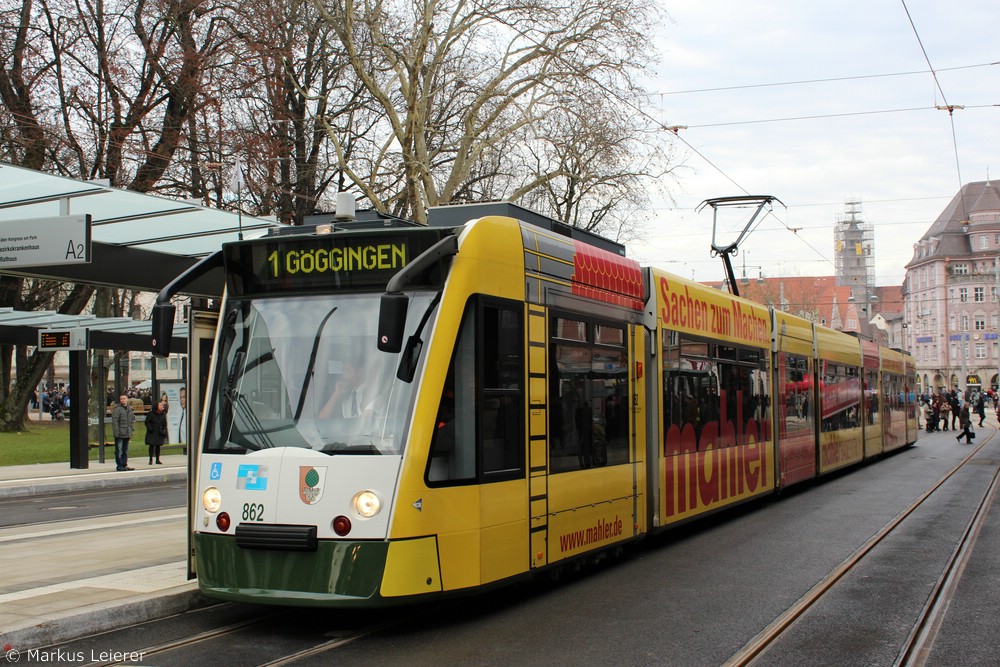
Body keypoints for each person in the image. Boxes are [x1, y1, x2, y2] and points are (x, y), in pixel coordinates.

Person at [111, 395, 135, 471]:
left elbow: (132, 421)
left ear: (127, 399)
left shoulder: (129, 409)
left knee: (125, 451)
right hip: (120, 433)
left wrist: (132, 430)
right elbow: (115, 422)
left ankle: (124, 464)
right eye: (121, 399)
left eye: (124, 398)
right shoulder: (117, 409)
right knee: (119, 450)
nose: (122, 400)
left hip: (127, 433)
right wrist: (116, 433)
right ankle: (119, 465)